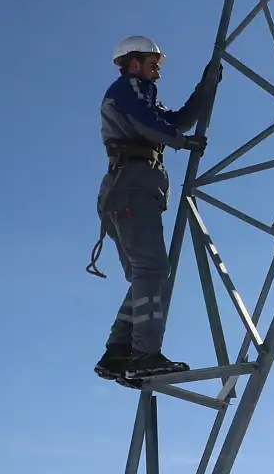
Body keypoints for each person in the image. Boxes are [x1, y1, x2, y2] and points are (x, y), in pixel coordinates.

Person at [91, 35, 221, 387]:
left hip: (129, 191)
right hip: (130, 189)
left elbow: (174, 123)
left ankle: (119, 353)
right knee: (152, 270)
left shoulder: (142, 96)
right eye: (153, 65)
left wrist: (204, 89)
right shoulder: (127, 89)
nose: (157, 74)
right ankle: (145, 355)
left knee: (145, 275)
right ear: (134, 63)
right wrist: (183, 143)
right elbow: (155, 129)